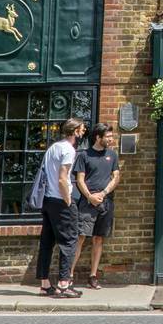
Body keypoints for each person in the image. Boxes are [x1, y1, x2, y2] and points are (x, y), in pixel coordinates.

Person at [36, 118, 86, 298]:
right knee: (69, 241)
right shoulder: (68, 150)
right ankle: (64, 284)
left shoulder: (53, 147)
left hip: (48, 200)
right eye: (82, 129)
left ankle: (44, 284)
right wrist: (68, 201)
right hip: (61, 200)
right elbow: (62, 178)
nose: (83, 132)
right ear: (75, 131)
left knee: (47, 243)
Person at [70, 122, 121, 289]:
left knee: (99, 239)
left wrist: (103, 193)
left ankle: (92, 276)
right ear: (98, 137)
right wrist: (90, 196)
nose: (111, 139)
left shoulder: (112, 156)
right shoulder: (84, 155)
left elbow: (116, 177)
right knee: (80, 237)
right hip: (87, 202)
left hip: (105, 202)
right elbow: (80, 179)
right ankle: (68, 275)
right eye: (107, 136)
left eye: (111, 136)